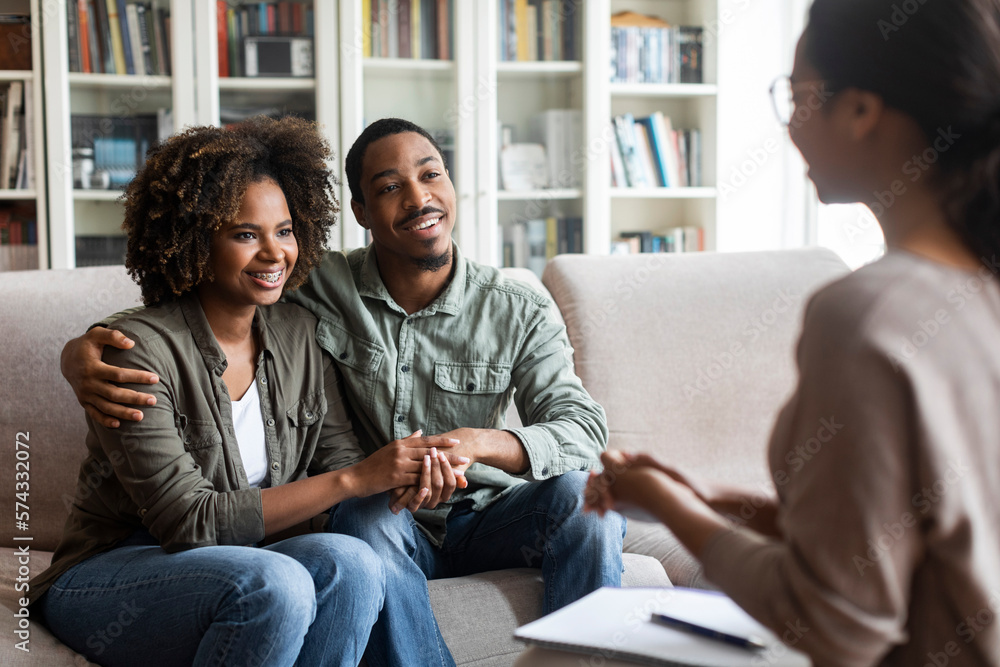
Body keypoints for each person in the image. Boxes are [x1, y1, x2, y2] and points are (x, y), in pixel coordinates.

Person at [61, 117, 626, 667]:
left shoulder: (515, 307)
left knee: (586, 496)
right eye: (388, 187)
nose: (418, 198)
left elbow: (582, 430)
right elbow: (191, 300)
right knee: (359, 520)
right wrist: (81, 351)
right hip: (374, 517)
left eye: (431, 175)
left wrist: (478, 444)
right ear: (360, 211)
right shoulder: (315, 287)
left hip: (485, 513)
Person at [580, 0, 1000, 665]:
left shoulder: (865, 315)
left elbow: (832, 622)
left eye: (796, 96)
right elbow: (907, 533)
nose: (790, 125)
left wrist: (676, 510)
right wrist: (709, 500)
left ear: (861, 110)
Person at [35, 116, 467, 667]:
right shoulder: (135, 352)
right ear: (195, 238)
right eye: (245, 234)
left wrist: (418, 469)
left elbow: (343, 461)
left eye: (284, 231)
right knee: (276, 581)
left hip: (249, 562)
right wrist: (356, 477)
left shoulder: (300, 334)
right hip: (112, 572)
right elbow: (188, 523)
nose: (274, 253)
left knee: (353, 561)